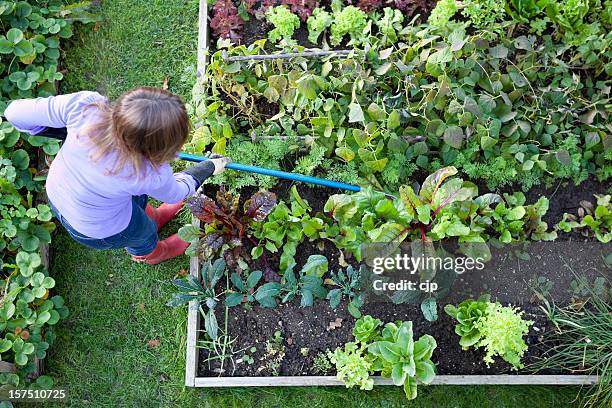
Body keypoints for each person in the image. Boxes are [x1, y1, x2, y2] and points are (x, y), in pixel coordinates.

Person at [4, 87, 230, 264]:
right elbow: (177, 192)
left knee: (134, 202)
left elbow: (13, 113)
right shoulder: (149, 172)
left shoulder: (84, 107)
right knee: (141, 233)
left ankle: (155, 217)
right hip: (96, 226)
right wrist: (208, 167)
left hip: (61, 192)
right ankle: (155, 253)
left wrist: (63, 131)